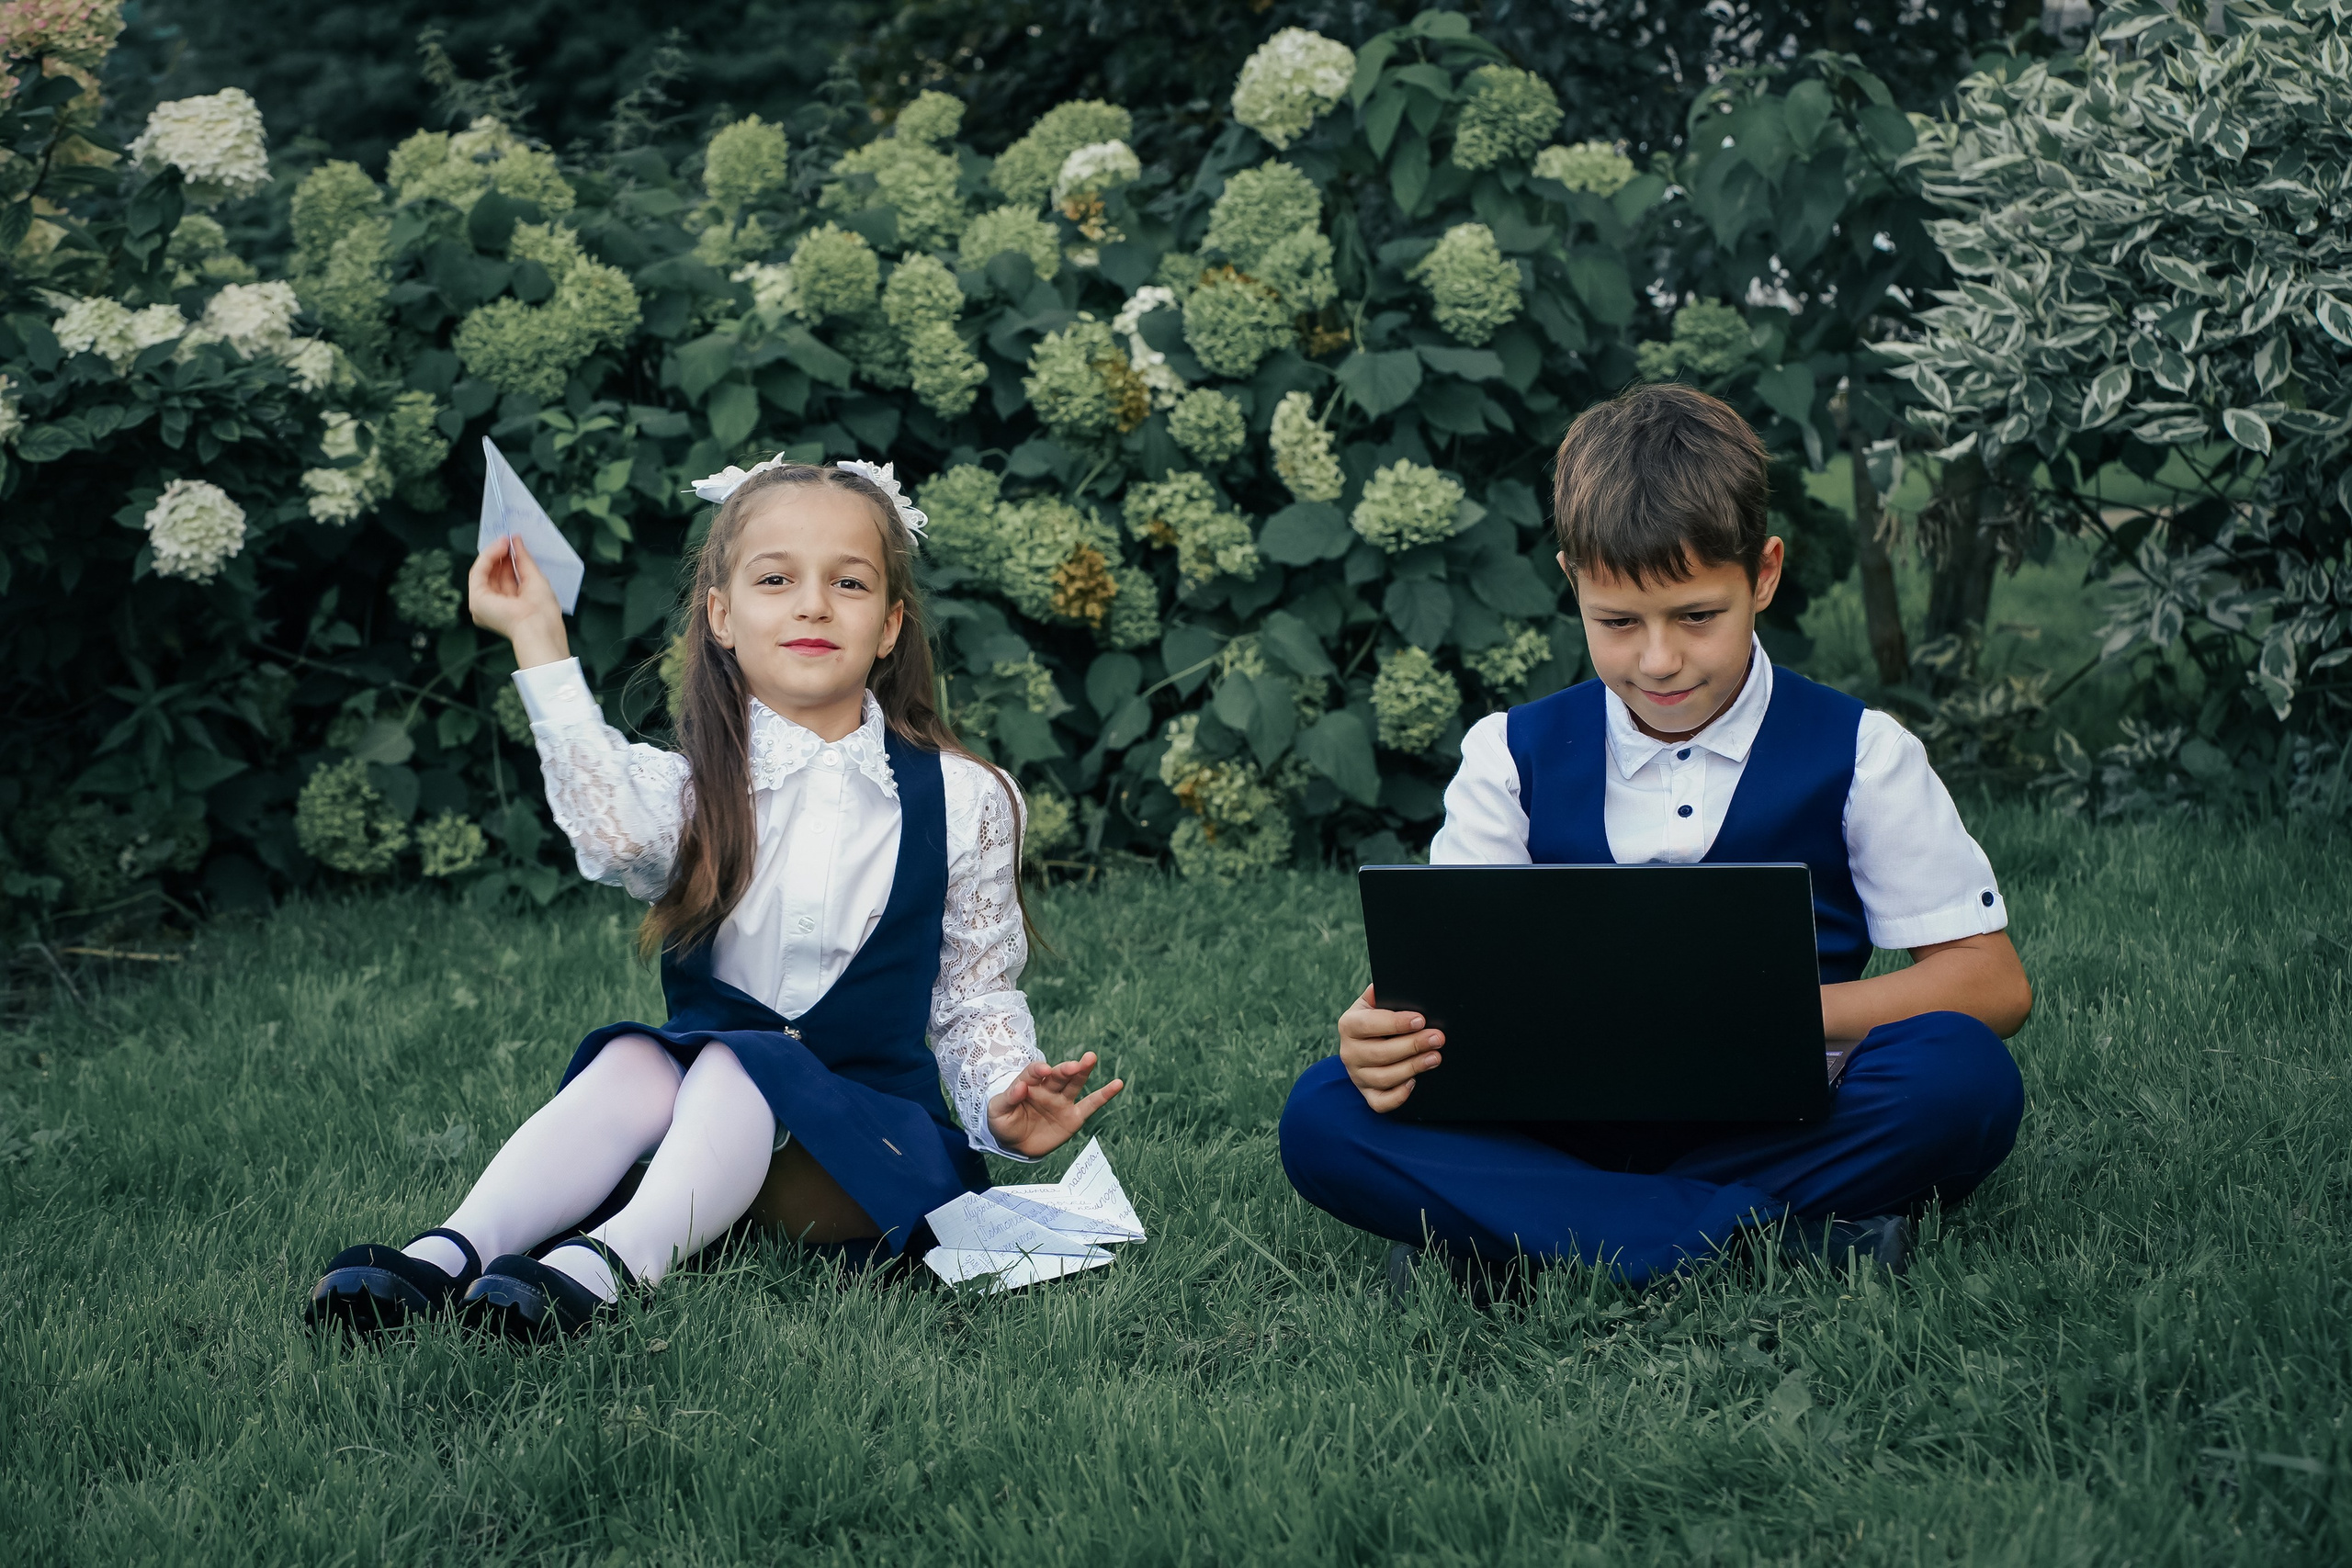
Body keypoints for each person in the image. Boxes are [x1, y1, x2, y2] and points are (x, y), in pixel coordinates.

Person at [307, 457, 1121, 1337]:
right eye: (776, 578)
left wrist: (1004, 1097)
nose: (813, 603)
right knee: (638, 1057)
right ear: (722, 617)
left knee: (740, 1060)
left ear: (890, 626)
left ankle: (611, 1263)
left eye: (848, 582)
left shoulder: (967, 798)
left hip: (870, 1157)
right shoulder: (690, 790)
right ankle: (452, 1250)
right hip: (710, 1144)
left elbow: (973, 994)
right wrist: (538, 640)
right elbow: (611, 832)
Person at [1278, 385, 2031, 1289]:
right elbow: (1447, 982)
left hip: (1783, 1108)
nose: (1658, 660)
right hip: (1551, 1112)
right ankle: (1757, 1237)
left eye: (1696, 616)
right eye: (1618, 623)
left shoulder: (1862, 751)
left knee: (1961, 1079)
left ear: (1762, 574)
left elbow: (1991, 984)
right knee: (1324, 1110)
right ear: (1574, 585)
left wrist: (1769, 1022)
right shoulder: (1507, 755)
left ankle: (1528, 1231)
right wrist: (1377, 1034)